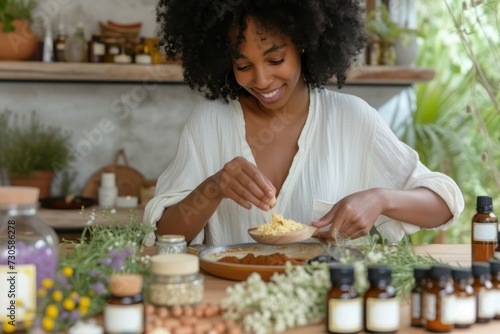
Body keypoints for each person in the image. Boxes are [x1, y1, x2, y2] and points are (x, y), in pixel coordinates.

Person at [144, 0, 464, 247]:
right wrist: (213, 188)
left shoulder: (351, 119)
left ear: (303, 42)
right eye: (243, 65)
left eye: (275, 60)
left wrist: (381, 199)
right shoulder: (209, 123)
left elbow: (444, 203)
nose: (262, 79)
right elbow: (164, 238)